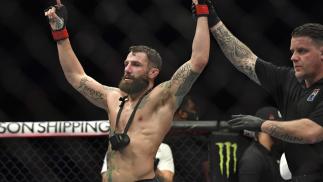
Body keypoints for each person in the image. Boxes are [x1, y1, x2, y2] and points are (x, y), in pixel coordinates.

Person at [44, 0, 210, 181]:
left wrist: (202, 13)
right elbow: (75, 76)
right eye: (126, 64)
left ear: (153, 72)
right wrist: (60, 32)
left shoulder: (163, 98)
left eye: (136, 64)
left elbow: (197, 61)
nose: (127, 69)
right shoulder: (113, 97)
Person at [205, 1, 323, 181]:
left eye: (302, 51)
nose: (293, 57)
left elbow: (312, 132)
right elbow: (245, 60)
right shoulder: (289, 80)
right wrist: (213, 21)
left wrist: (262, 125)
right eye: (292, 51)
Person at [239, 106, 284, 182]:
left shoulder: (274, 153)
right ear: (267, 127)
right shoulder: (252, 158)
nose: (282, 130)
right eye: (278, 126)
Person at [101, 143, 175, 182]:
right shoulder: (116, 149)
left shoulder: (162, 148)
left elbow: (167, 180)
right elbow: (105, 180)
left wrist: (152, 168)